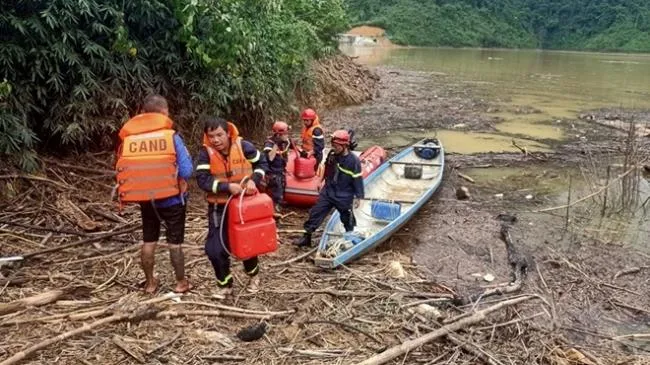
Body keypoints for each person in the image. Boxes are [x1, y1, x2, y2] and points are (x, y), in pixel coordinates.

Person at [115, 94, 193, 294]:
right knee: (174, 243)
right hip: (173, 200)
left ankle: (150, 283)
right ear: (165, 113)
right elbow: (186, 170)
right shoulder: (171, 137)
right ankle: (181, 282)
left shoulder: (131, 140)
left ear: (142, 113)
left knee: (149, 241)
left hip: (146, 201)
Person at [195, 117, 268, 295]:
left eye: (219, 135)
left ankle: (253, 276)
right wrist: (227, 187)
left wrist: (254, 180)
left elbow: (262, 163)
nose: (216, 140)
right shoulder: (205, 154)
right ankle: (225, 284)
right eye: (211, 136)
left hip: (244, 206)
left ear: (228, 133)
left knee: (246, 243)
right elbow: (202, 180)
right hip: (219, 208)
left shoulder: (244, 147)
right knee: (214, 250)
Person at [295, 130, 364, 247]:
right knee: (316, 212)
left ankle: (350, 236)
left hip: (344, 194)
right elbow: (327, 168)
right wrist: (320, 181)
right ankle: (307, 237)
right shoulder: (332, 155)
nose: (334, 148)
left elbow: (357, 180)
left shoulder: (353, 161)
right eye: (333, 145)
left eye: (336, 146)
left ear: (344, 146)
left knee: (347, 217)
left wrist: (359, 197)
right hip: (329, 190)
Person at [263, 121, 291, 211]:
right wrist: (276, 144)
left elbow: (291, 145)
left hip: (281, 169)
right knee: (276, 188)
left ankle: (280, 200)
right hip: (272, 171)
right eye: (285, 134)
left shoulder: (285, 142)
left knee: (282, 185)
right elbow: (270, 158)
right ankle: (275, 206)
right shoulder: (269, 143)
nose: (287, 135)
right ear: (278, 135)